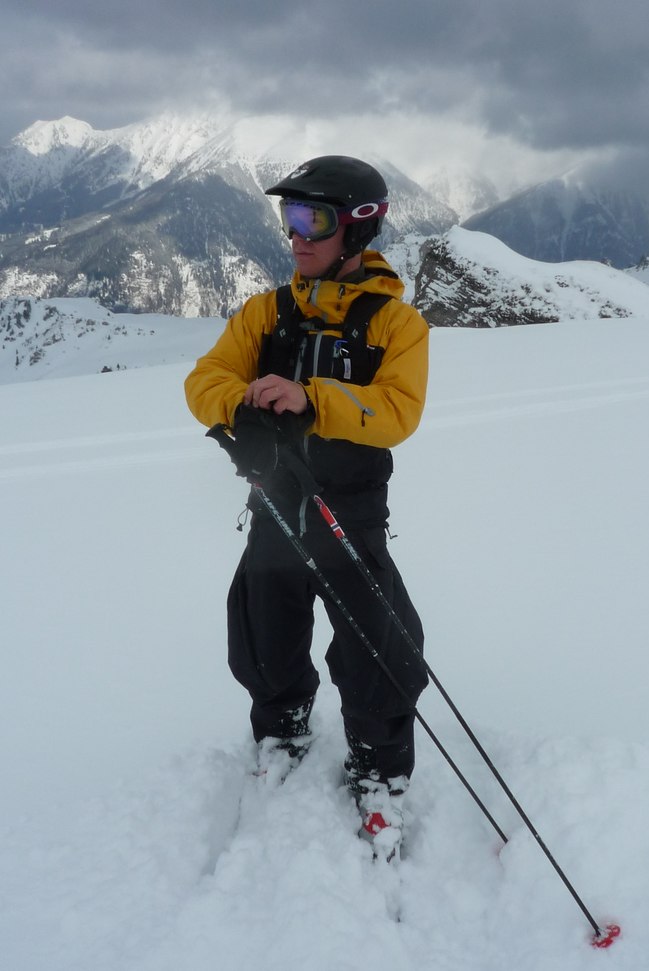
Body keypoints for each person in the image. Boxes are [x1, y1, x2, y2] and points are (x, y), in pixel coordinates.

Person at [184, 155, 429, 859]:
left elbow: (398, 411)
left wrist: (311, 400)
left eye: (312, 218)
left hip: (349, 511)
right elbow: (205, 379)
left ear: (357, 227)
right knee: (262, 632)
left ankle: (379, 770)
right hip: (275, 506)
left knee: (379, 646)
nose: (295, 235)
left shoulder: (395, 324)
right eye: (289, 217)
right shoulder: (266, 313)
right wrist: (243, 405)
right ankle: (282, 729)